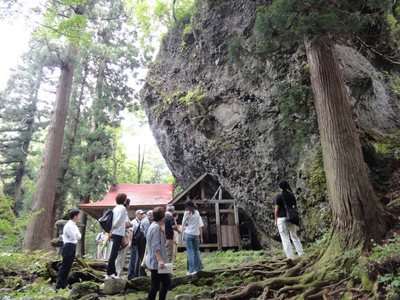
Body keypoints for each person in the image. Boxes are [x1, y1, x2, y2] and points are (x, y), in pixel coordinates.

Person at [274, 180, 304, 261]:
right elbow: (295, 207)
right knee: (294, 236)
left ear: (279, 187)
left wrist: (275, 220)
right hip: (291, 218)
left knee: (285, 238)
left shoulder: (278, 196)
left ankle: (290, 258)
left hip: (281, 218)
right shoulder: (291, 195)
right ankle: (301, 254)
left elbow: (276, 209)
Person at [146, 207, 170, 300]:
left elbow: (162, 241)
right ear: (162, 216)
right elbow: (156, 245)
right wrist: (160, 260)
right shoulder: (155, 227)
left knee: (164, 282)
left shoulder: (155, 226)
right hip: (157, 261)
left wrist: (163, 231)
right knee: (156, 285)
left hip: (158, 260)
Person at [56, 209, 81, 290]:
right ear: (75, 216)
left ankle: (63, 285)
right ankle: (59, 285)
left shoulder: (75, 225)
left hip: (73, 246)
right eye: (78, 215)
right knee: (65, 266)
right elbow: (74, 237)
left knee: (68, 266)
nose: (79, 217)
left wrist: (75, 235)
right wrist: (75, 235)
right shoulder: (68, 225)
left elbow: (78, 236)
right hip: (68, 246)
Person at [106, 193, 129, 280]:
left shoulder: (116, 208)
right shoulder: (122, 208)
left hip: (115, 232)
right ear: (124, 200)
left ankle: (113, 272)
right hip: (118, 232)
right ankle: (110, 272)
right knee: (114, 253)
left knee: (114, 252)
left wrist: (111, 229)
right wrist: (113, 228)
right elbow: (117, 220)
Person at [182, 200, 204, 275]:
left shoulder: (186, 213)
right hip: (196, 234)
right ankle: (200, 268)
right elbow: (198, 224)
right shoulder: (197, 213)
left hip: (188, 233)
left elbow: (183, 223)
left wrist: (186, 226)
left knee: (190, 252)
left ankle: (192, 270)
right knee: (196, 251)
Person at [115, 198, 133, 278]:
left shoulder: (116, 210)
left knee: (120, 255)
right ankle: (117, 273)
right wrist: (130, 224)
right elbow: (126, 224)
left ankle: (118, 272)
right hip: (122, 235)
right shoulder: (123, 212)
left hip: (119, 234)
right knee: (121, 256)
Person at [127, 209, 145, 280]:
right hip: (134, 243)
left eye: (142, 214)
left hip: (138, 243)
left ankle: (136, 273)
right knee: (133, 259)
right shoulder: (134, 222)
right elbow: (131, 232)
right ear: (137, 215)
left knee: (137, 258)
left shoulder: (140, 222)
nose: (142, 215)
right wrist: (131, 241)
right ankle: (130, 274)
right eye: (140, 214)